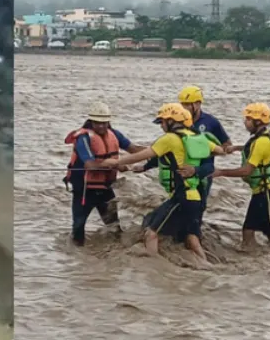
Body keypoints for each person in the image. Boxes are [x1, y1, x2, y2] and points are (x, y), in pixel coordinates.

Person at [100, 103, 225, 260]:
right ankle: (207, 267)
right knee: (192, 238)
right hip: (196, 197)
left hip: (181, 197)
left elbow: (144, 154)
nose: (161, 126)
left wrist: (114, 163)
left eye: (162, 122)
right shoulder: (196, 138)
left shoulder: (170, 139)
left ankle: (153, 266)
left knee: (151, 233)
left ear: (171, 121)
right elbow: (220, 150)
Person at [137, 85, 232, 216]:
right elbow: (167, 150)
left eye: (187, 104)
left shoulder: (211, 122)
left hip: (203, 172)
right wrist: (146, 166)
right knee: (178, 209)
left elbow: (226, 145)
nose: (183, 107)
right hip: (180, 175)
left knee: (197, 211)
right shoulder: (178, 120)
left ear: (198, 104)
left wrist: (207, 150)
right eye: (182, 104)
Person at [63, 101, 147, 246]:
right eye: (97, 123)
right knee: (78, 227)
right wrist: (117, 164)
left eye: (104, 123)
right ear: (91, 121)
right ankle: (78, 258)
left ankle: (115, 253)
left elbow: (133, 149)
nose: (101, 126)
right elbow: (90, 165)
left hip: (105, 189)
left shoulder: (114, 133)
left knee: (114, 227)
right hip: (84, 190)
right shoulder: (83, 137)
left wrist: (157, 152)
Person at [212, 102, 270, 249]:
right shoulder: (262, 137)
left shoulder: (262, 141)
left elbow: (247, 171)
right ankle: (253, 262)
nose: (245, 122)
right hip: (260, 193)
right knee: (248, 231)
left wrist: (221, 172)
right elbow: (252, 149)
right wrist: (236, 148)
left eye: (248, 119)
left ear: (258, 121)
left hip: (268, 194)